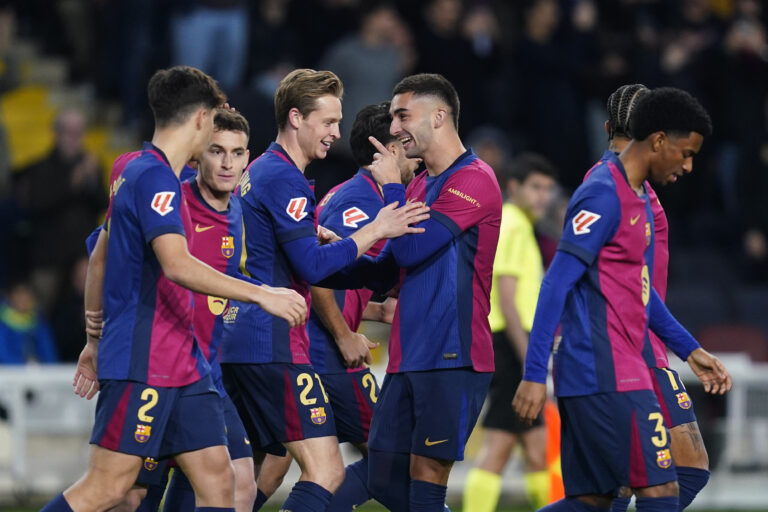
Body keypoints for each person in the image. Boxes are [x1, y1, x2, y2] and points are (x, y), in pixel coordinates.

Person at [41, 66, 307, 512]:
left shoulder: (131, 168)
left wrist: (92, 337)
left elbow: (101, 256)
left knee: (222, 484)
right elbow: (178, 264)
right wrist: (263, 294)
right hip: (146, 359)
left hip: (185, 364)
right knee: (110, 490)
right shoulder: (156, 179)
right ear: (201, 119)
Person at [219, 69, 429, 512]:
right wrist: (374, 230)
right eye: (328, 121)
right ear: (296, 117)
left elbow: (308, 264)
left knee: (248, 473)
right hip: (273, 341)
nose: (336, 133)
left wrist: (368, 277)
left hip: (243, 338)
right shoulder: (284, 178)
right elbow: (311, 268)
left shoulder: (261, 170)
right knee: (328, 470)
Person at [512, 87, 731, 512]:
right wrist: (534, 374)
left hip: (615, 363)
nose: (688, 167)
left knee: (594, 500)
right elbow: (555, 283)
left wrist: (690, 350)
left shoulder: (637, 196)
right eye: (686, 154)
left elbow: (639, 294)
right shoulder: (603, 193)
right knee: (663, 489)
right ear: (658, 140)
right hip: (607, 367)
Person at [362, 72, 502, 511]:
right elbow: (388, 268)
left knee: (426, 479)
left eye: (403, 115)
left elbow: (413, 248)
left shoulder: (475, 180)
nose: (394, 128)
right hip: (410, 353)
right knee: (381, 474)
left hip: (452, 354)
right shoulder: (421, 185)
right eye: (391, 118)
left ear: (439, 116)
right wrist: (335, 254)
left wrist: (389, 187)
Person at [603, 84, 712, 512]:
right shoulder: (621, 192)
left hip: (638, 349)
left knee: (620, 486)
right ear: (656, 134)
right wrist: (689, 347)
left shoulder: (624, 187)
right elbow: (633, 290)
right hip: (636, 352)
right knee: (684, 471)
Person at [463, 153, 558, 512]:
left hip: (512, 344)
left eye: (548, 189)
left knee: (536, 450)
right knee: (499, 448)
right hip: (512, 345)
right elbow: (506, 294)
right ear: (515, 187)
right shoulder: (514, 225)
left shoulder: (516, 224)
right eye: (535, 187)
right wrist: (532, 364)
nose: (543, 197)